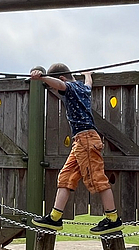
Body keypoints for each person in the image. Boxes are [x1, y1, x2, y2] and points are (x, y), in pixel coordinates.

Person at [29, 63, 123, 235]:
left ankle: (113, 219)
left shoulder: (70, 87)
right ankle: (55, 217)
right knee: (66, 177)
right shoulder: (82, 87)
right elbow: (89, 83)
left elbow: (60, 85)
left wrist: (41, 77)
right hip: (80, 142)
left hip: (86, 139)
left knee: (97, 178)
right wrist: (88, 73)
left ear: (63, 78)